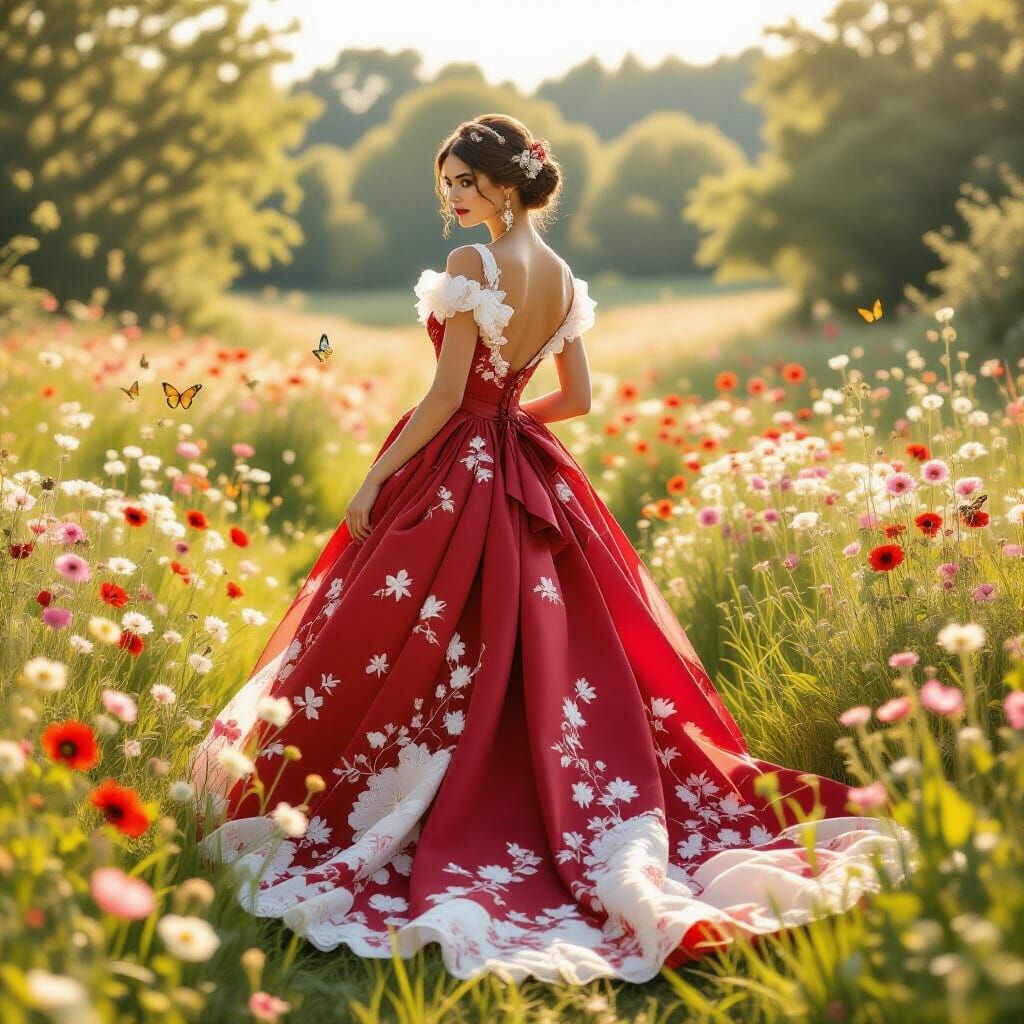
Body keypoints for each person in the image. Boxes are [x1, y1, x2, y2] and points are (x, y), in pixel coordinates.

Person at [190, 113, 910, 986]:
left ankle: (416, 789)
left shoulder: (473, 266)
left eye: (464, 181)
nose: (452, 196)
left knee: (419, 626)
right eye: (446, 182)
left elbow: (445, 395)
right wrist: (506, 424)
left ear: (506, 183)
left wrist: (379, 474)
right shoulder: (564, 279)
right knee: (527, 634)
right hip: (524, 461)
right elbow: (576, 398)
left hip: (460, 463)